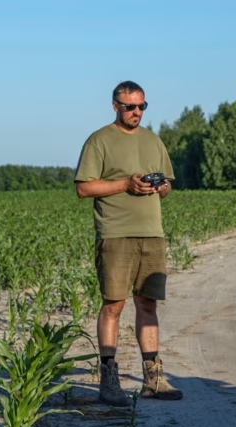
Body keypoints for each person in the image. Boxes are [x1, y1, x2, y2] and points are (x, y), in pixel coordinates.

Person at [73, 80, 183, 406]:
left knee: (147, 304)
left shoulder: (153, 141)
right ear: (115, 106)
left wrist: (160, 187)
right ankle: (109, 381)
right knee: (114, 305)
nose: (136, 112)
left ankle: (153, 379)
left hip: (152, 233)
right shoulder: (99, 141)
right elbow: (83, 188)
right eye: (130, 107)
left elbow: (168, 186)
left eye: (141, 107)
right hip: (115, 233)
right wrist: (125, 184)